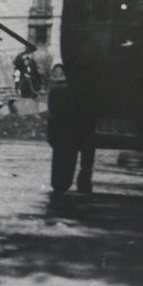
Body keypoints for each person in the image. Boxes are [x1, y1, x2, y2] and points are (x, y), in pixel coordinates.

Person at [46, 64, 96, 193]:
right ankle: (84, 179)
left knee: (61, 160)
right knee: (86, 148)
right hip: (80, 128)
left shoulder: (57, 91)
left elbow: (53, 113)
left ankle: (63, 182)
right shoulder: (85, 91)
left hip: (62, 132)